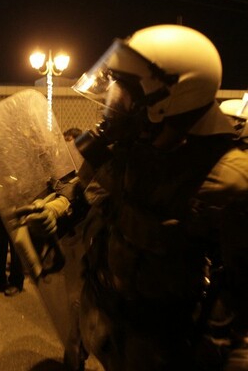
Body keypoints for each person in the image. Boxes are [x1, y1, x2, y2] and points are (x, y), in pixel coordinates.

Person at [29, 24, 248, 370]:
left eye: (126, 93)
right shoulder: (137, 149)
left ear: (171, 100)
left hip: (170, 350)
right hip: (114, 327)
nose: (114, 104)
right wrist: (60, 207)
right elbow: (95, 191)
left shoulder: (229, 179)